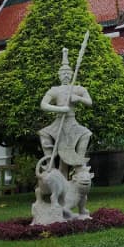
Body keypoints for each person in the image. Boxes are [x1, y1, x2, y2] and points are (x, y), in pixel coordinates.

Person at [38, 48, 93, 176]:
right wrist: (60, 109)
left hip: (72, 121)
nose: (66, 76)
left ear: (72, 74)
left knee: (86, 134)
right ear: (59, 75)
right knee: (44, 133)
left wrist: (78, 98)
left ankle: (79, 164)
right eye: (63, 73)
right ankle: (49, 163)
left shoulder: (78, 88)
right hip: (59, 121)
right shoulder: (55, 90)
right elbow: (43, 104)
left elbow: (89, 102)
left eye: (68, 73)